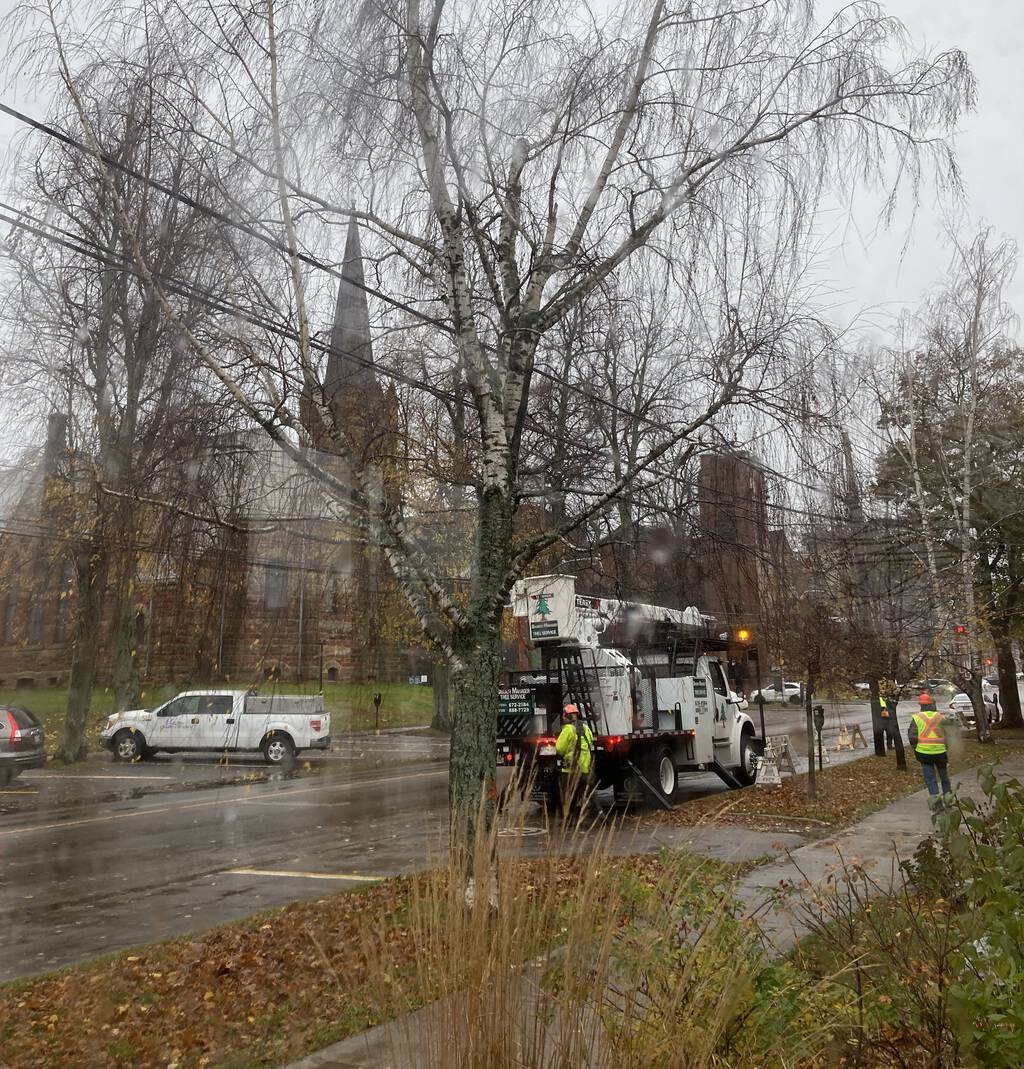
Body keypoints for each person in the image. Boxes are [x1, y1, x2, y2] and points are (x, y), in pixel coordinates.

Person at [908, 692, 952, 804]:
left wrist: (915, 748)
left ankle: (936, 803)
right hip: (940, 753)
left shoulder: (917, 718)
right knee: (944, 778)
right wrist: (945, 747)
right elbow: (947, 735)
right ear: (931, 704)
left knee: (930, 779)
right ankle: (949, 801)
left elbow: (912, 736)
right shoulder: (940, 717)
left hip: (924, 754)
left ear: (921, 705)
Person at [555, 702, 594, 814]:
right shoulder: (586, 727)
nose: (563, 717)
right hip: (585, 768)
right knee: (586, 793)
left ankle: (568, 820)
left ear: (567, 716)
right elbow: (590, 742)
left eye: (564, 715)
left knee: (568, 796)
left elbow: (559, 748)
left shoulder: (568, 729)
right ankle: (601, 814)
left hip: (570, 769)